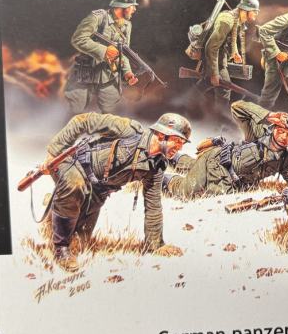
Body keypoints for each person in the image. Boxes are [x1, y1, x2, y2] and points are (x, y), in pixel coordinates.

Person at [42, 111, 191, 271]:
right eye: (177, 141)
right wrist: (53, 152)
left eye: (182, 143)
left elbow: (153, 205)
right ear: (162, 135)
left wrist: (156, 245)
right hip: (74, 165)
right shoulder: (129, 131)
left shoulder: (156, 166)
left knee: (80, 242)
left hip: (97, 191)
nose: (180, 147)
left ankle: (58, 203)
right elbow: (83, 121)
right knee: (74, 184)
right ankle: (61, 249)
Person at [165, 100, 288, 199]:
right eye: (281, 131)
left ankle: (175, 157)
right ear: (273, 129)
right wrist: (267, 115)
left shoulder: (286, 159)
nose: (284, 137)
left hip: (234, 179)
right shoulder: (258, 134)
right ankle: (163, 178)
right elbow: (236, 107)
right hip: (217, 162)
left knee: (193, 165)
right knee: (188, 191)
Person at [63, 0, 140, 114]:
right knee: (75, 112)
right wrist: (104, 51)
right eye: (132, 6)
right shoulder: (97, 17)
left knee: (111, 114)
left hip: (109, 75)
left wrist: (127, 73)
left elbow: (123, 52)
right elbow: (78, 39)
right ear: (123, 6)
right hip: (85, 73)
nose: (134, 9)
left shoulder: (127, 25)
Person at [205, 0, 259, 102]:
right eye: (254, 11)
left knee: (205, 83)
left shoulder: (237, 19)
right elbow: (211, 47)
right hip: (213, 58)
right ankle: (221, 113)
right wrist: (214, 73)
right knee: (224, 88)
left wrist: (235, 53)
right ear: (245, 10)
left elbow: (232, 37)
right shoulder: (227, 21)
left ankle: (188, 99)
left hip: (219, 57)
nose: (256, 14)